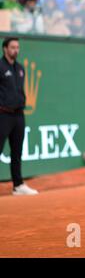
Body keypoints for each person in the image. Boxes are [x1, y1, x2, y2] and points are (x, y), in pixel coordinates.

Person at [0, 37, 39, 196]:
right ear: (5, 49)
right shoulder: (0, 67)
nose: (16, 50)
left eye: (17, 47)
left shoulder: (20, 68)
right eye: (12, 47)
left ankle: (18, 185)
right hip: (3, 115)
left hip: (18, 115)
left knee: (17, 151)